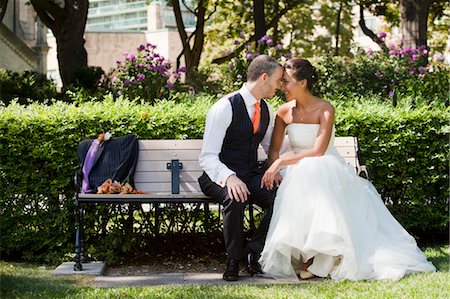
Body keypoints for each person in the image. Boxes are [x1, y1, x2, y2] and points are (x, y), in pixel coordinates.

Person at [258, 58, 436, 281]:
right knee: (303, 177)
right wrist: (276, 169)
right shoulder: (283, 112)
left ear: (302, 82)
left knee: (314, 171)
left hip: (324, 165)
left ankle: (317, 258)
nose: (282, 86)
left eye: (287, 82)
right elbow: (274, 151)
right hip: (295, 170)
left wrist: (281, 163)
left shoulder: (325, 110)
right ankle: (308, 256)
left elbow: (318, 151)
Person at [198, 55, 285, 281]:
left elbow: (269, 146)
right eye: (278, 80)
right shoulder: (224, 107)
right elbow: (207, 157)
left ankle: (252, 252)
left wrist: (279, 167)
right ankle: (233, 260)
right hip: (217, 176)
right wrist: (229, 177)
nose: (280, 86)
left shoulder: (266, 109)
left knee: (282, 197)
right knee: (235, 198)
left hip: (249, 174)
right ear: (264, 78)